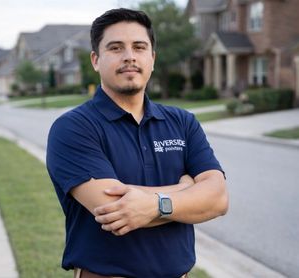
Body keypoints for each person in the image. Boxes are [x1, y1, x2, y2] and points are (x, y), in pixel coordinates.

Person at [46, 8, 228, 278]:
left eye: (139, 47)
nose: (129, 56)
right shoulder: (73, 128)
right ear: (96, 60)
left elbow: (218, 199)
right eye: (116, 48)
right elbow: (115, 211)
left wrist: (154, 205)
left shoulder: (182, 122)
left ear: (152, 58)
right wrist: (185, 188)